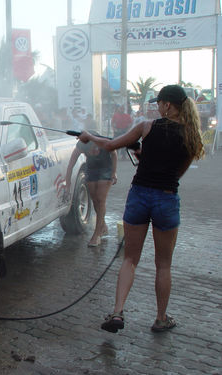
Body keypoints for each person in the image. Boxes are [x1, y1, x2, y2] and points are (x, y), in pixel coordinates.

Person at [78, 85, 204, 333]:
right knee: (163, 265)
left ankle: (117, 312)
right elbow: (175, 174)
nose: (157, 107)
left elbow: (111, 144)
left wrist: (88, 137)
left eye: (159, 103)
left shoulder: (147, 127)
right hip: (166, 199)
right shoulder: (192, 136)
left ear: (168, 105)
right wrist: (146, 159)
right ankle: (160, 318)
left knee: (129, 259)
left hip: (139, 197)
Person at [65, 131, 117, 247]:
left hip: (106, 169)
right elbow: (71, 164)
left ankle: (97, 235)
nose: (93, 151)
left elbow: (114, 154)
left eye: (95, 149)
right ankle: (102, 226)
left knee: (100, 199)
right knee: (94, 200)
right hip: (91, 169)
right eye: (90, 150)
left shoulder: (104, 142)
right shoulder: (81, 145)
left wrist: (113, 173)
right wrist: (68, 183)